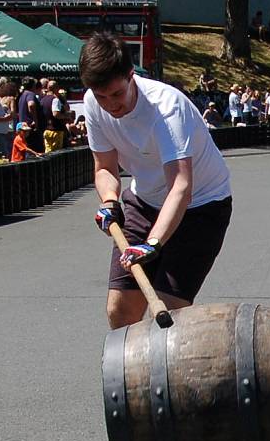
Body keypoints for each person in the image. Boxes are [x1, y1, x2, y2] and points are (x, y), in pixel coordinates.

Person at [80, 32, 233, 329]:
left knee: (169, 315)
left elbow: (181, 186)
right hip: (145, 199)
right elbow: (105, 168)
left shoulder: (165, 108)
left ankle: (172, 374)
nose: (110, 105)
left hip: (201, 205)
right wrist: (109, 202)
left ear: (130, 75)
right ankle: (135, 376)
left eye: (116, 94)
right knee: (120, 310)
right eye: (101, 97)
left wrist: (152, 243)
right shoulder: (93, 103)